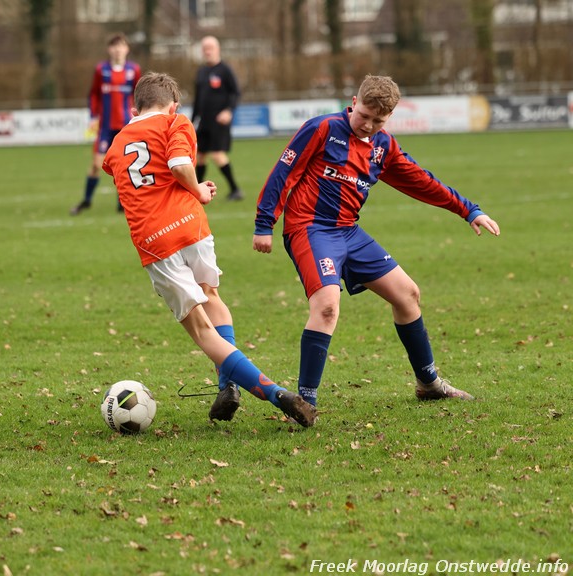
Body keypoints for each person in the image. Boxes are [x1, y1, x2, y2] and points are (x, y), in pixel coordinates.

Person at [253, 75, 501, 412]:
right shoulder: (322, 128)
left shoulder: (383, 146)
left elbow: (420, 180)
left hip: (348, 232)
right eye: (364, 116)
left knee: (408, 294)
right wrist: (264, 223)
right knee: (326, 307)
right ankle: (305, 403)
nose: (368, 125)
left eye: (378, 121)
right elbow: (284, 172)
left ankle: (428, 384)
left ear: (389, 117)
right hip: (310, 229)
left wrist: (468, 209)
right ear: (354, 102)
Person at [102, 71, 316, 427]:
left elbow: (155, 170)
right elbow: (178, 163)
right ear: (173, 106)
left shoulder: (116, 144)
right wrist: (199, 190)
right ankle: (226, 385)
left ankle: (276, 393)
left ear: (134, 108)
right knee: (212, 295)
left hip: (154, 241)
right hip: (191, 226)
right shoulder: (176, 122)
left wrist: (194, 186)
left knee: (202, 331)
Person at [70, 33, 141, 215]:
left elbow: (138, 95)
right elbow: (94, 94)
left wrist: (139, 115)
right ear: (109, 49)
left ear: (127, 49)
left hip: (125, 126)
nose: (118, 50)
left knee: (125, 165)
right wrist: (93, 116)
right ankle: (87, 200)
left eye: (121, 46)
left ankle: (121, 202)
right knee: (97, 164)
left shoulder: (133, 70)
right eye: (114, 46)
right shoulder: (101, 70)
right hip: (105, 127)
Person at [192, 36, 243, 201]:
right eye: (205, 48)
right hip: (203, 122)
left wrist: (229, 111)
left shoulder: (225, 70)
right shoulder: (201, 71)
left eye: (210, 48)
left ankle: (235, 190)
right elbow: (198, 99)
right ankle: (196, 192)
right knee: (199, 155)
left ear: (217, 49)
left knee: (217, 154)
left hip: (219, 122)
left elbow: (236, 92)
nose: (207, 51)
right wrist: (192, 120)